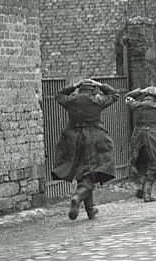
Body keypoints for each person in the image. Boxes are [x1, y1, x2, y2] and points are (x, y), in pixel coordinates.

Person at [52, 78, 121, 220]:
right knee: (92, 173)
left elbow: (58, 95)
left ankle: (90, 210)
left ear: (80, 89)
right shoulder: (96, 101)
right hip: (94, 139)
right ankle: (77, 197)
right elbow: (115, 95)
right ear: (93, 90)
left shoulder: (71, 100)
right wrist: (101, 85)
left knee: (84, 173)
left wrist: (73, 86)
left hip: (73, 139)